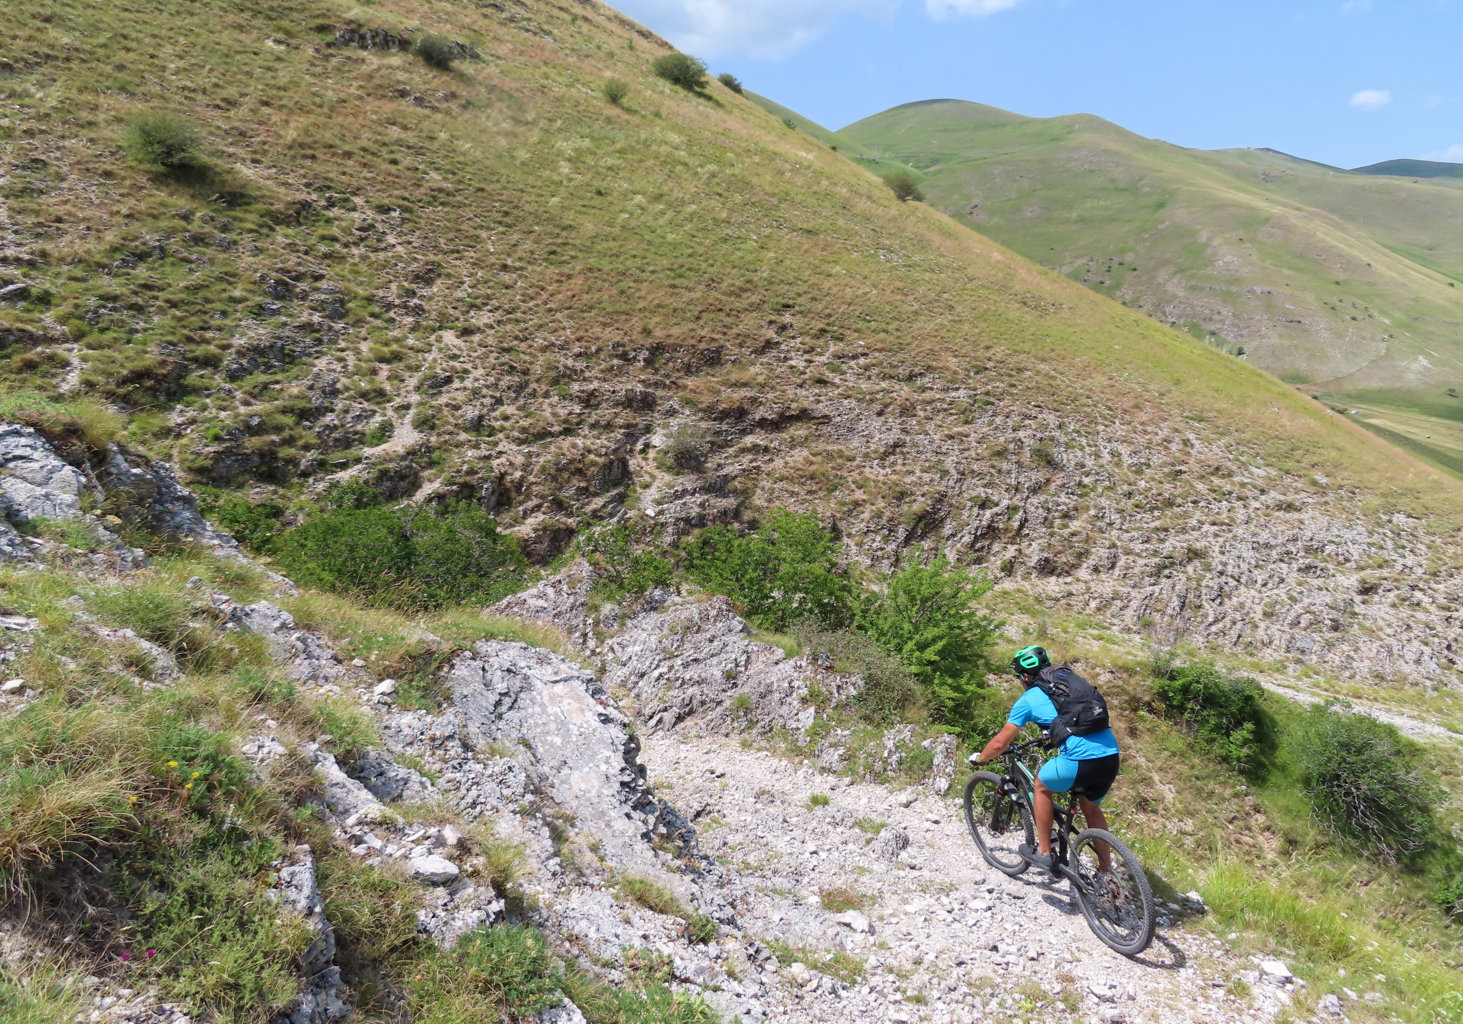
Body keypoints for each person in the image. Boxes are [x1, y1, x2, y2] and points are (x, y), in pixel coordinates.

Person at [971, 645, 1120, 872]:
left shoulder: (1029, 699)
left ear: (1025, 676)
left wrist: (981, 759)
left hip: (1079, 761)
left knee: (1040, 786)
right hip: (1110, 757)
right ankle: (1107, 873)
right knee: (1091, 809)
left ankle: (1044, 853)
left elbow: (1001, 743)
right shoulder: (1069, 683)